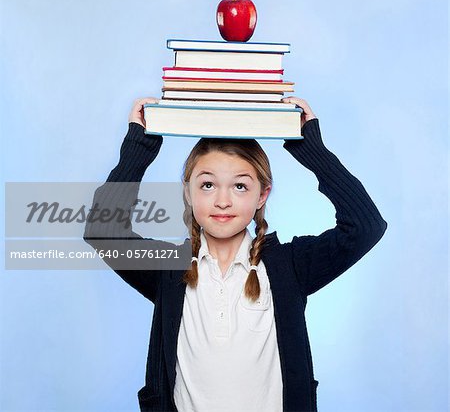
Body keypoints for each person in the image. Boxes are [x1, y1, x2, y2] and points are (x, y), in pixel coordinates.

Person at [84, 97, 387, 412]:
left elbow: (365, 227)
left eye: (240, 186)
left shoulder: (290, 267)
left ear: (262, 195)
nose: (223, 201)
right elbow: (104, 233)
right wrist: (140, 147)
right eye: (208, 185)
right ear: (188, 191)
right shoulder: (168, 269)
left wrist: (312, 150)